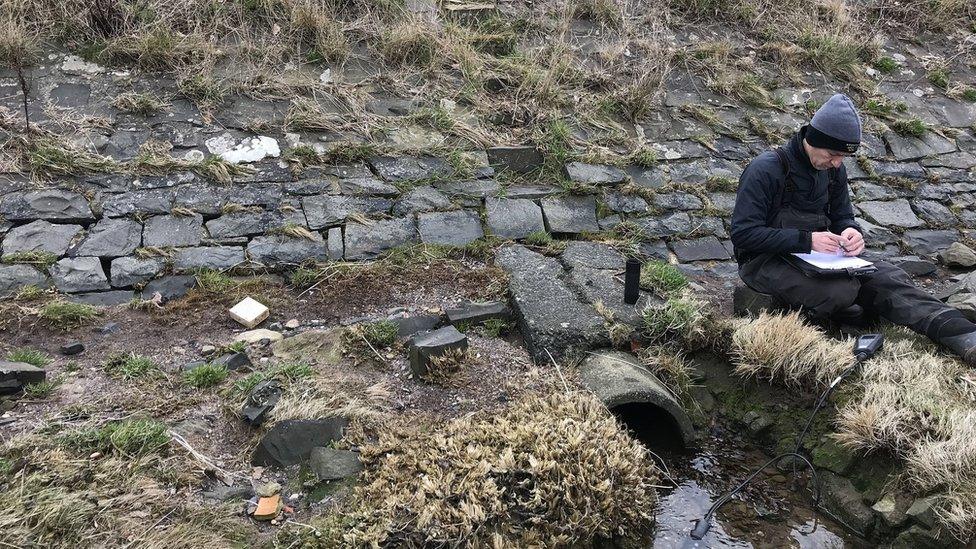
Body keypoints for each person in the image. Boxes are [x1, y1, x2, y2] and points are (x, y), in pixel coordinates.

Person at [730, 93, 976, 366]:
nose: (837, 163)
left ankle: (963, 335)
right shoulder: (765, 169)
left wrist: (851, 231)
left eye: (843, 157)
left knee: (888, 276)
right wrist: (806, 240)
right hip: (763, 262)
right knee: (841, 291)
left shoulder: (833, 171)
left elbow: (843, 216)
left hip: (823, 261)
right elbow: (743, 234)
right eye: (833, 154)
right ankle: (852, 314)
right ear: (813, 139)